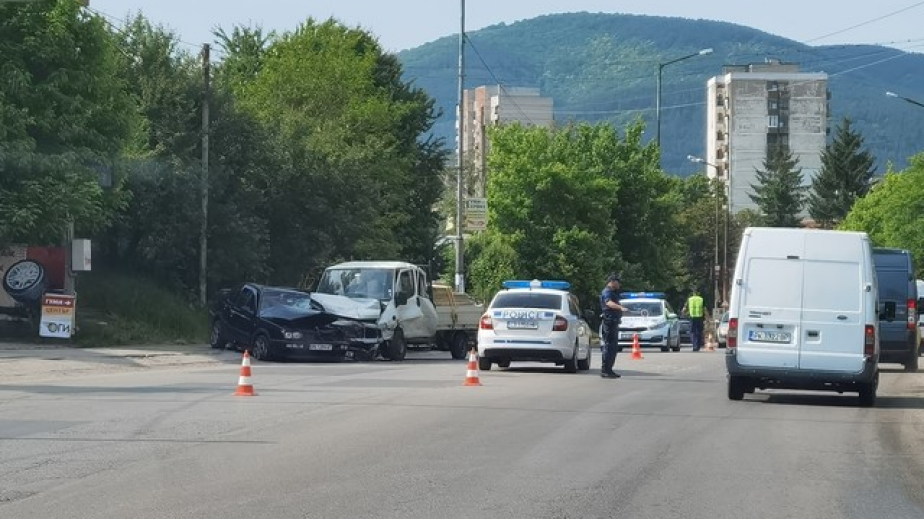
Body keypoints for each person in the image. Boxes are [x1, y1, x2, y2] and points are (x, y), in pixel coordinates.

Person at [600, 274, 629, 379]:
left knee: (613, 348)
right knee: (609, 347)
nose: (619, 284)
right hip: (609, 322)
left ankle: (609, 370)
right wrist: (620, 307)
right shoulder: (607, 292)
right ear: (612, 281)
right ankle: (605, 370)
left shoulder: (613, 292)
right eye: (618, 282)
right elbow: (609, 303)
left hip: (613, 322)